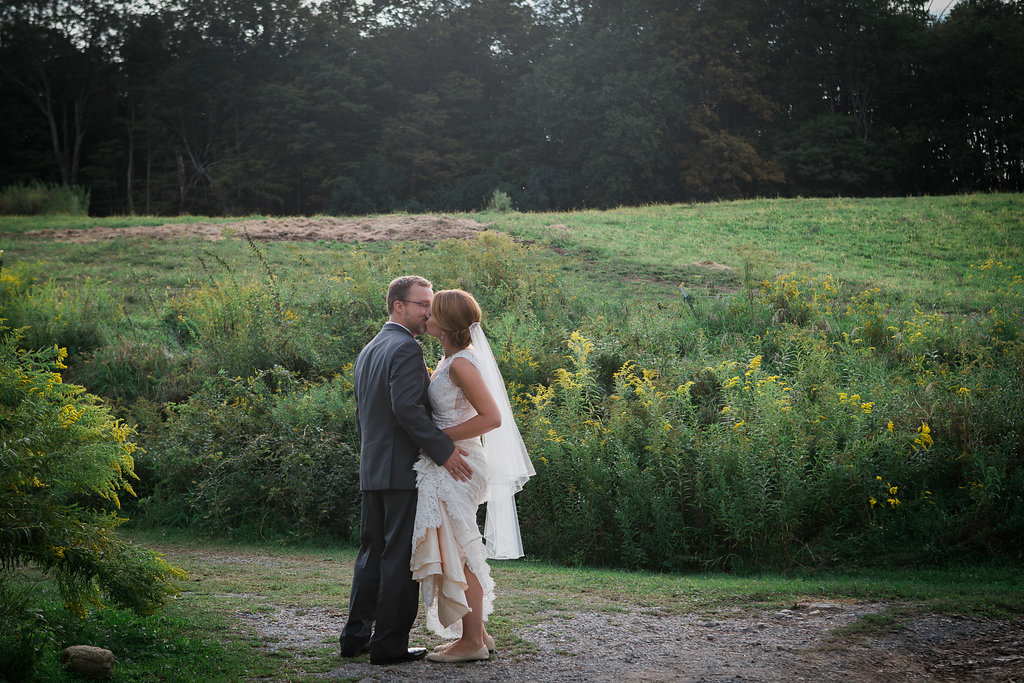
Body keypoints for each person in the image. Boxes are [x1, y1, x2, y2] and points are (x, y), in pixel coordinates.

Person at [339, 276, 474, 666]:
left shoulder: (370, 349)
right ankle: (390, 645)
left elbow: (366, 414)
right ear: (399, 306)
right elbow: (407, 410)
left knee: (371, 553)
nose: (429, 312)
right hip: (402, 470)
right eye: (422, 305)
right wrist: (444, 450)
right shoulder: (406, 349)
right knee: (399, 557)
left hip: (373, 469)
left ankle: (355, 637)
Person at [411, 289, 535, 664]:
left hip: (461, 464)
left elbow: (491, 418)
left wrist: (436, 440)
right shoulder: (449, 359)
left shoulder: (463, 363)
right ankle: (477, 633)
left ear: (446, 322)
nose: (425, 317)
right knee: (456, 546)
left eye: (431, 312)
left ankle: (472, 644)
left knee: (463, 549)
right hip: (450, 461)